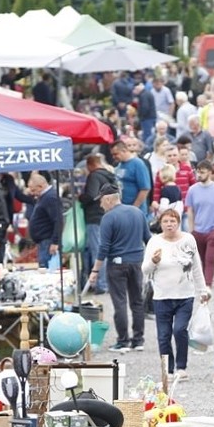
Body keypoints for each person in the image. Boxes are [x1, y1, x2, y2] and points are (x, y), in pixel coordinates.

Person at [142, 209, 209, 380]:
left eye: (172, 221)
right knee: (163, 335)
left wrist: (203, 290)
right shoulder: (154, 242)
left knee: (179, 330)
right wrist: (153, 261)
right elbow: (145, 270)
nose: (169, 224)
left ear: (178, 222)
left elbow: (196, 267)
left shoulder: (188, 239)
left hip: (185, 295)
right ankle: (167, 369)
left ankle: (181, 366)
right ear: (161, 224)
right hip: (161, 296)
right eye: (165, 221)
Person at [88, 183, 151, 353]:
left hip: (117, 264)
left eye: (101, 201)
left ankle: (123, 341)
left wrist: (95, 271)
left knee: (120, 302)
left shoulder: (109, 218)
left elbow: (103, 248)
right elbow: (148, 238)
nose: (100, 205)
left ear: (108, 199)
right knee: (137, 302)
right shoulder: (138, 212)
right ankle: (138, 340)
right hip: (137, 262)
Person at [185, 160, 214, 287]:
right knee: (200, 260)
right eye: (198, 172)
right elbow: (190, 210)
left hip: (213, 230)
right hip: (198, 230)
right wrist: (192, 229)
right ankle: (201, 284)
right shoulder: (192, 190)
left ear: (210, 173)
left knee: (210, 259)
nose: (199, 175)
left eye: (202, 172)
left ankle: (207, 284)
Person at [80, 155, 118, 293]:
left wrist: (80, 197)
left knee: (98, 251)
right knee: (105, 249)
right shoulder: (110, 176)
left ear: (90, 165)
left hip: (95, 216)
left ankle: (102, 284)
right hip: (108, 215)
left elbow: (91, 195)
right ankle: (105, 282)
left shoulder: (94, 176)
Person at [14, 174, 63, 268]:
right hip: (43, 241)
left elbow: (58, 220)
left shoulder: (50, 198)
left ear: (40, 186)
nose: (32, 193)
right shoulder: (44, 197)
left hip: (48, 241)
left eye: (33, 190)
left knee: (47, 270)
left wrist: (55, 242)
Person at [112, 140, 153, 213]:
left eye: (116, 154)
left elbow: (145, 189)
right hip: (122, 209)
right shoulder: (119, 165)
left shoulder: (138, 164)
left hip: (135, 211)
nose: (114, 157)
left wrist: (134, 208)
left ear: (124, 150)